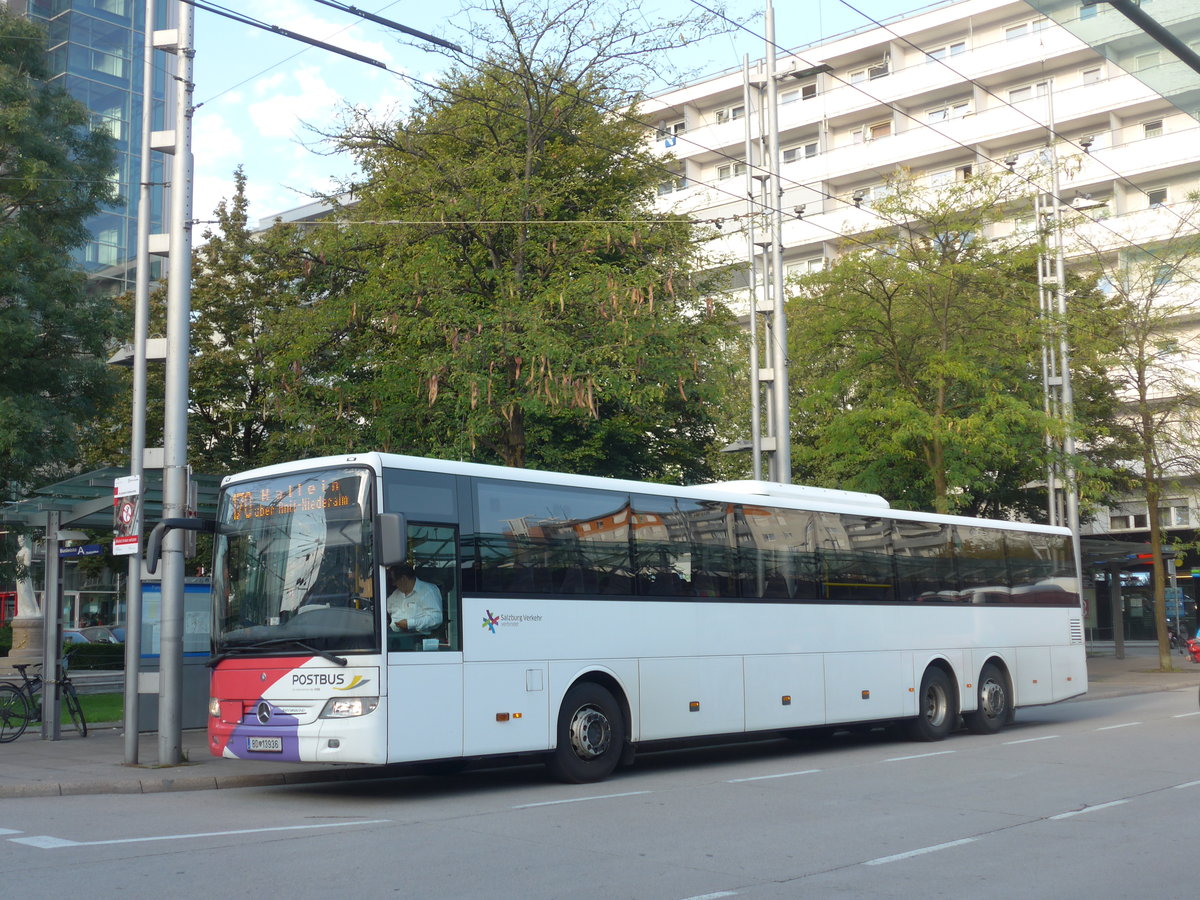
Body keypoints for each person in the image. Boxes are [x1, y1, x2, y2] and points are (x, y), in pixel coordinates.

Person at [385, 562, 443, 635]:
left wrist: (410, 624)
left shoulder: (428, 591)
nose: (393, 584)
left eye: (394, 581)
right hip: (393, 637)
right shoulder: (396, 594)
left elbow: (436, 618)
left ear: (403, 579)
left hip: (419, 638)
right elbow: (384, 609)